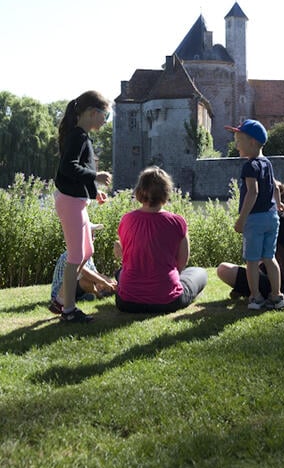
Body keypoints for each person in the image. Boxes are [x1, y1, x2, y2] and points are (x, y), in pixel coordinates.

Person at [115, 166, 207, 314]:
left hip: (126, 302)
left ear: (139, 190)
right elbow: (182, 262)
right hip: (166, 300)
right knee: (199, 272)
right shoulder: (177, 221)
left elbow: (125, 256)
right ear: (166, 191)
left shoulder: (126, 220)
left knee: (121, 272)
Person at [54, 91, 112, 323]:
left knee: (86, 251)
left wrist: (93, 191)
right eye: (105, 116)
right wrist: (96, 176)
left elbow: (75, 173)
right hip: (70, 202)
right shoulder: (78, 136)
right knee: (76, 255)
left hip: (75, 200)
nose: (105, 122)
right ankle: (67, 310)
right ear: (91, 113)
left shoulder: (81, 136)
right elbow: (67, 168)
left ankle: (61, 299)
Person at [224, 119, 284, 310]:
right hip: (271, 218)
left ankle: (256, 297)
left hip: (255, 219)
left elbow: (253, 192)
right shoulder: (267, 163)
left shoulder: (250, 166)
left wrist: (241, 219)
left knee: (252, 260)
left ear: (252, 142)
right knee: (269, 258)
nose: (236, 144)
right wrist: (278, 205)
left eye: (239, 140)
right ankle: (277, 297)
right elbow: (276, 186)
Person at [217, 182, 284, 303]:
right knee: (260, 264)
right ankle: (246, 289)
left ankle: (252, 292)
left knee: (223, 269)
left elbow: (253, 257)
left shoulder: (273, 221)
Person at [48, 224, 117, 314]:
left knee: (96, 282)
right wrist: (104, 283)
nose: (94, 238)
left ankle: (85, 296)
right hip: (60, 293)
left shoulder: (87, 255)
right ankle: (99, 295)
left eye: (94, 236)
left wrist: (110, 282)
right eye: (91, 236)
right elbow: (86, 272)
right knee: (86, 280)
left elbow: (95, 274)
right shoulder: (71, 254)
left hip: (75, 288)